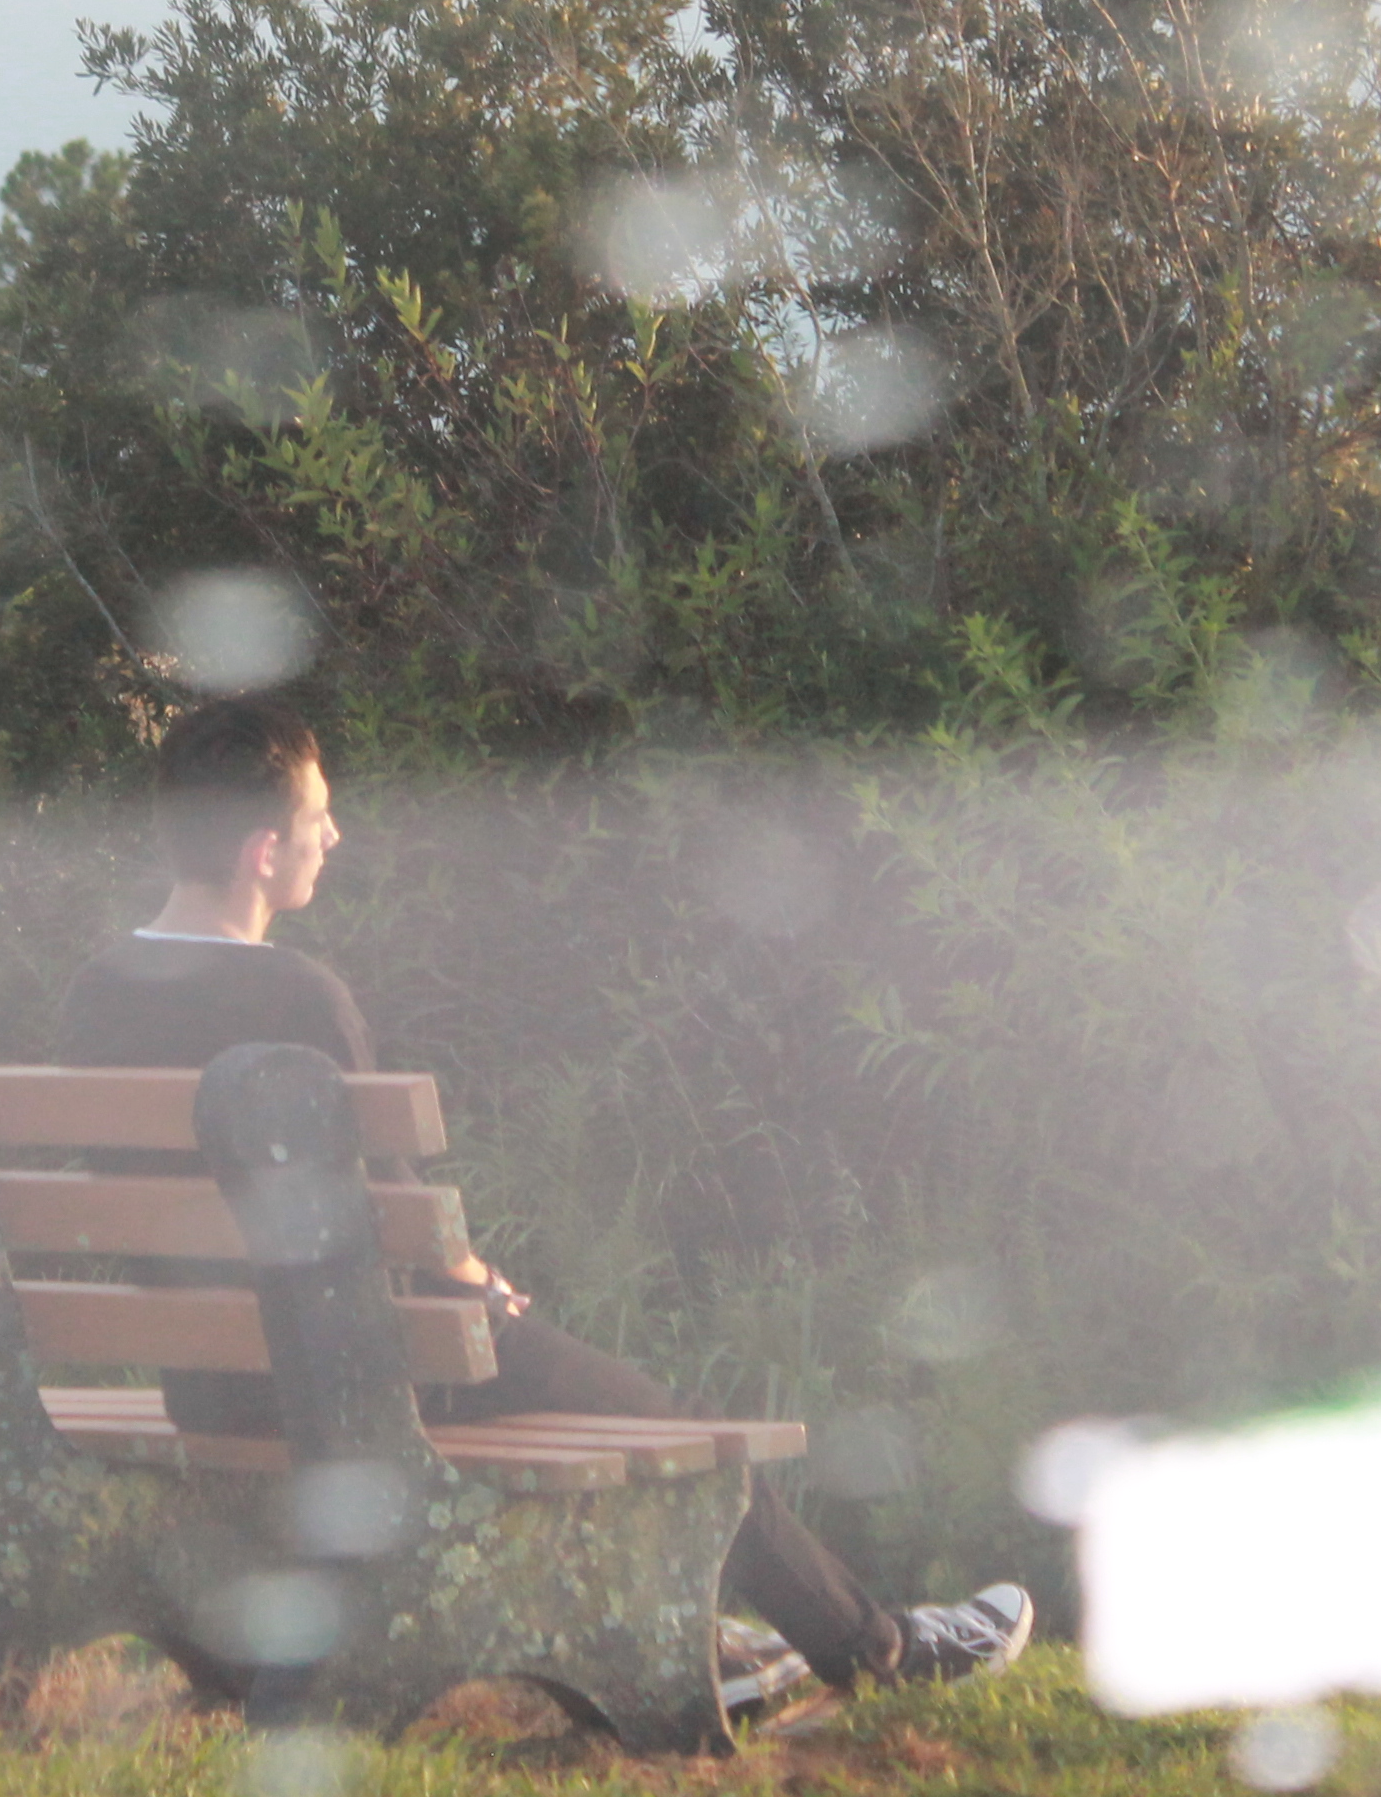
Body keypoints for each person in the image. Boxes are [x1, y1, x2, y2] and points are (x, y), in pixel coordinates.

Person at [53, 692, 1037, 1703]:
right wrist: (476, 1285)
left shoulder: (96, 993)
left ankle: (707, 1647)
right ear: (263, 851)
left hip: (207, 1383)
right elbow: (389, 1209)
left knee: (602, 1395)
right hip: (353, 1379)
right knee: (682, 1434)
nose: (333, 836)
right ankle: (884, 1650)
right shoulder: (296, 997)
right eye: (318, 817)